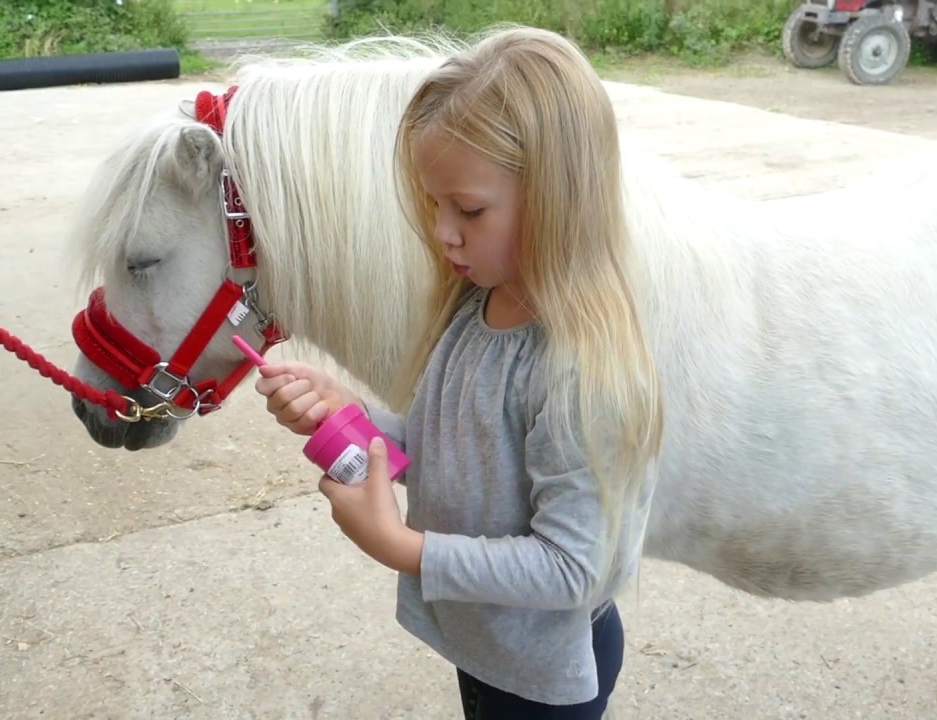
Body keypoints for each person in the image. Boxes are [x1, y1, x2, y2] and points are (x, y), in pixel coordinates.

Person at [253, 25, 665, 720]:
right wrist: (349, 418)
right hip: (493, 650)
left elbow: (570, 567)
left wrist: (400, 546)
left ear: (559, 197)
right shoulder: (476, 304)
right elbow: (452, 449)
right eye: (434, 205)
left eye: (467, 209)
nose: (443, 232)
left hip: (541, 678)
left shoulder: (576, 370)